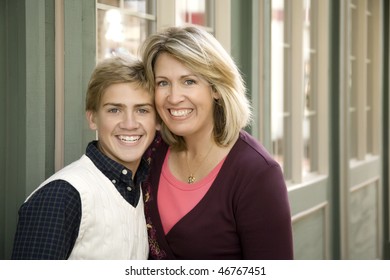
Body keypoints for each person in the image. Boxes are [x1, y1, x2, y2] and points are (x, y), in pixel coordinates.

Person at [140, 26, 293, 260]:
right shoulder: (151, 151)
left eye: (189, 81)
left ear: (216, 89)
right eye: (163, 83)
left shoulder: (258, 173)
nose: (173, 97)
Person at [11, 55, 159, 259]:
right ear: (93, 118)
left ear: (157, 121)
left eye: (142, 110)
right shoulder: (61, 196)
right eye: (115, 110)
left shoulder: (141, 189)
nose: (129, 123)